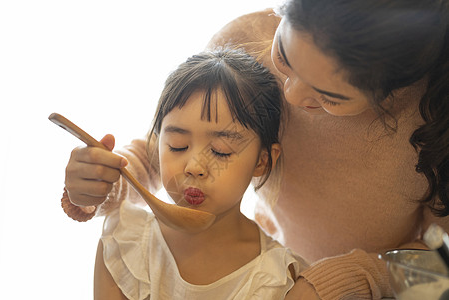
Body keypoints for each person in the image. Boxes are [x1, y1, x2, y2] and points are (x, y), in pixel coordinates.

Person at [62, 0, 449, 299]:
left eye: (328, 98)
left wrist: (350, 282)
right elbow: (171, 142)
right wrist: (109, 178)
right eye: (284, 55)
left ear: (394, 92)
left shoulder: (435, 124)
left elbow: (443, 263)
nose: (292, 95)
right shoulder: (249, 39)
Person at [92, 48, 308, 300]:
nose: (194, 166)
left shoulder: (278, 280)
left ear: (262, 162)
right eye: (177, 146)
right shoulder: (125, 243)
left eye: (220, 151)